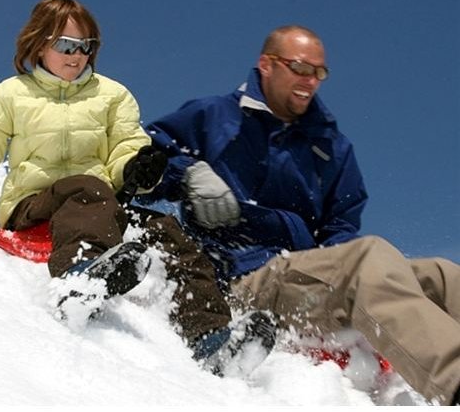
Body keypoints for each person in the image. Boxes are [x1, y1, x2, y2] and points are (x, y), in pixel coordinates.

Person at [0, 0, 276, 370]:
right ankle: (80, 279)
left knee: (166, 230)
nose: (77, 55)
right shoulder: (11, 95)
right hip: (34, 207)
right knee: (85, 185)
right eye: (66, 45)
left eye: (87, 46)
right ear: (39, 43)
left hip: (100, 209)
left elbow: (125, 147)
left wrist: (136, 168)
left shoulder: (112, 95)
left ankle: (211, 339)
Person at [141, 25, 460, 405]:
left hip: (304, 277)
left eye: (319, 73)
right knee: (368, 256)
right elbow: (145, 159)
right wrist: (187, 174)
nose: (310, 81)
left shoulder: (329, 146)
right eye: (299, 68)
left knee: (443, 274)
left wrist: (340, 269)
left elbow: (341, 225)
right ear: (266, 64)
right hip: (241, 280)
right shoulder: (215, 116)